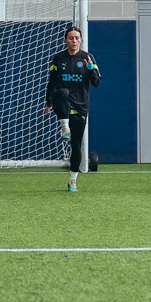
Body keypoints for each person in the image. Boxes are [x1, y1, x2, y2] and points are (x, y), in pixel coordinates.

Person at [45, 26, 100, 192]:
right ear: (65, 40)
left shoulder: (88, 58)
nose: (74, 41)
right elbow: (52, 81)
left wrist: (91, 70)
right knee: (62, 92)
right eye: (70, 38)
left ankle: (72, 180)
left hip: (80, 106)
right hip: (62, 102)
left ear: (81, 40)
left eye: (76, 38)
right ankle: (64, 128)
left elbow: (96, 83)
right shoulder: (58, 59)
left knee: (76, 146)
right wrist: (48, 101)